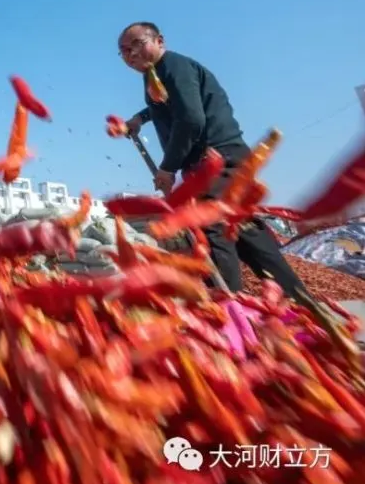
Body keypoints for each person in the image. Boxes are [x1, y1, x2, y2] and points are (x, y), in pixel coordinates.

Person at [118, 21, 307, 296]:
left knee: (212, 228)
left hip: (217, 159)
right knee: (243, 231)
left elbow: (191, 119)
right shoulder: (157, 75)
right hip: (224, 160)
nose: (132, 53)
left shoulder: (173, 67)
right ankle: (301, 302)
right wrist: (141, 118)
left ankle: (223, 306)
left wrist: (168, 167)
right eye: (125, 50)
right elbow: (170, 103)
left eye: (138, 44)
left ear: (160, 40)